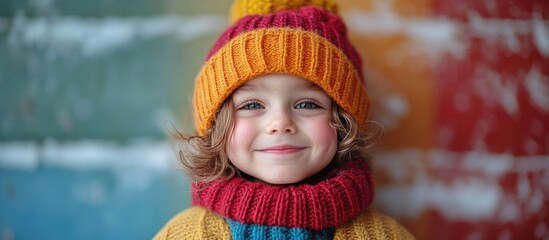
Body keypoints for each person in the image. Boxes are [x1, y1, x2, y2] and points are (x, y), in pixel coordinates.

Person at [154, 0, 415, 239]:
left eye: (307, 104)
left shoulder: (383, 235)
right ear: (215, 124)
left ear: (345, 123)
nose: (280, 122)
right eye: (252, 104)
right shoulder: (185, 234)